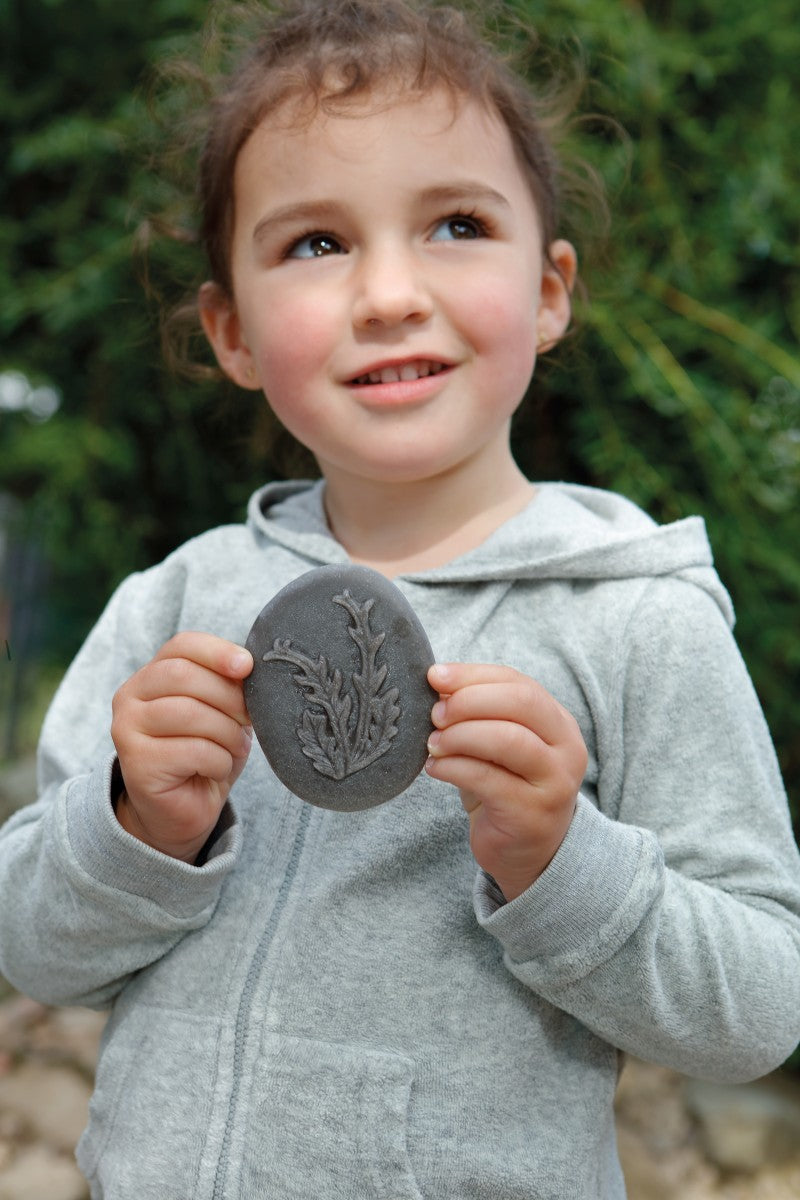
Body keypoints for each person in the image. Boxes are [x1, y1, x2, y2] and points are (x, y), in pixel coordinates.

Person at [2, 1, 799, 1196]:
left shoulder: (635, 620)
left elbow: (755, 1010)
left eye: (456, 224)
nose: (385, 293)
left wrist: (559, 863)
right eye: (314, 243)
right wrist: (135, 829)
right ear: (230, 328)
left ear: (547, 290)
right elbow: (35, 947)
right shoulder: (177, 603)